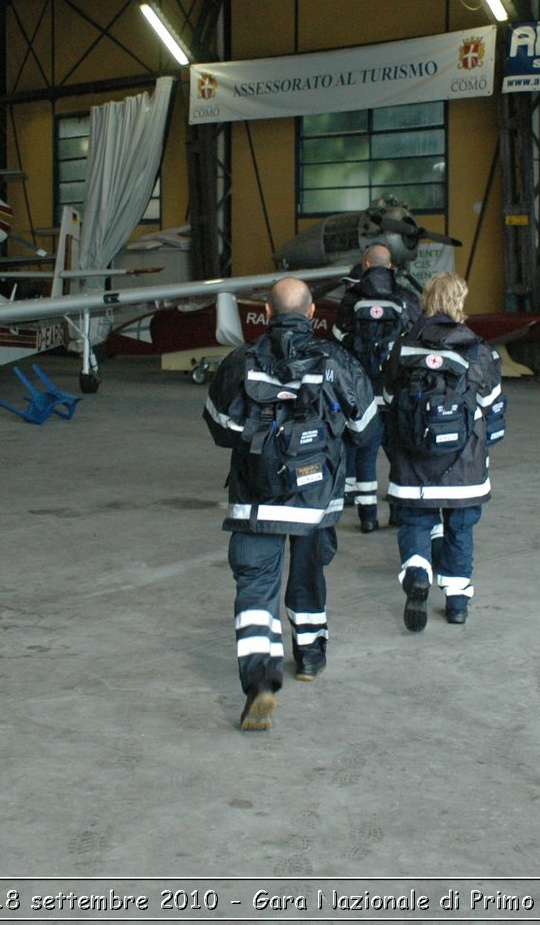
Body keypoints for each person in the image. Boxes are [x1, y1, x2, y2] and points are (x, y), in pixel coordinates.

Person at [203, 277, 378, 731]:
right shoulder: (336, 360)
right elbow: (365, 426)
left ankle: (260, 682)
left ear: (266, 310)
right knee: (307, 576)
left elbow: (219, 425)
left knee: (255, 590)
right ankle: (311, 656)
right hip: (316, 502)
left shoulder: (241, 360)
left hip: (255, 501)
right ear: (313, 312)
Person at [381, 272, 506, 630]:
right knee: (460, 531)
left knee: (416, 521)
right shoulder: (477, 348)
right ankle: (456, 603)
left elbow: (389, 397)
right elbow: (491, 402)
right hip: (463, 466)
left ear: (426, 300)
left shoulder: (404, 346)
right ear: (459, 302)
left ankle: (418, 572)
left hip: (413, 462)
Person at [333, 243, 420, 533]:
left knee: (365, 452)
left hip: (362, 391)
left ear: (365, 265)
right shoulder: (406, 297)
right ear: (392, 266)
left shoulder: (351, 298)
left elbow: (338, 342)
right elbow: (416, 343)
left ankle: (367, 516)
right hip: (395, 390)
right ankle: (397, 511)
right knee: (398, 452)